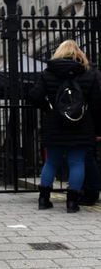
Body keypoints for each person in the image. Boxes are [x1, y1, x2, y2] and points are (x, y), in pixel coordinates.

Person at [29, 39, 101, 213]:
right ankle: (72, 203)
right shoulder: (90, 73)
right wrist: (98, 129)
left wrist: (48, 109)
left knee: (51, 162)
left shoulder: (48, 73)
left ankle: (43, 200)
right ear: (78, 52)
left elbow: (34, 96)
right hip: (82, 125)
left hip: (55, 124)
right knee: (77, 162)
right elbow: (97, 103)